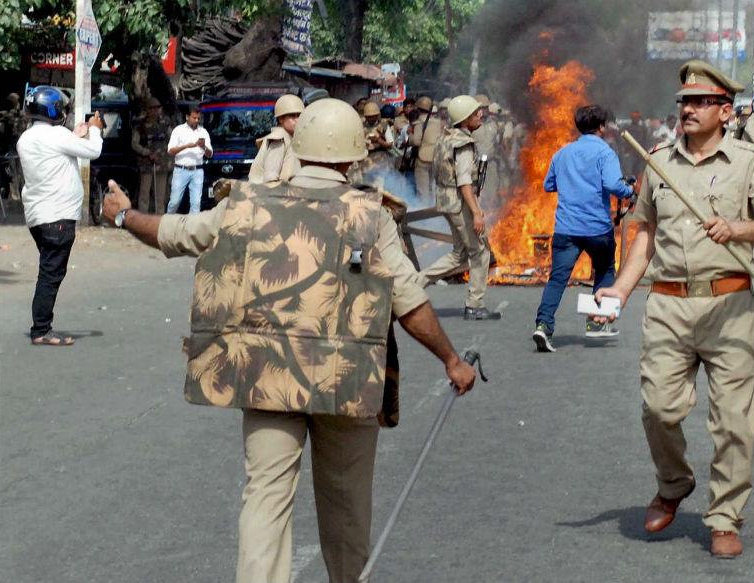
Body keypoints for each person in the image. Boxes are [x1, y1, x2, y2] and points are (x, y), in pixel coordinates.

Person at [99, 97, 476, 583]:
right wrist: (450, 359)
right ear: (353, 156)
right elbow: (408, 302)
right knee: (346, 505)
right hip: (347, 384)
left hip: (267, 378)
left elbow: (177, 234)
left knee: (266, 498)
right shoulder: (371, 215)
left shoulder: (247, 203)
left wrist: (122, 215)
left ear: (298, 146)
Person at [595, 60, 754, 559]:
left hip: (729, 303)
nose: (688, 109)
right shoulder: (657, 160)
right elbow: (644, 234)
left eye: (700, 102)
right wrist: (619, 289)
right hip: (667, 304)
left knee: (732, 421)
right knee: (658, 408)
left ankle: (725, 514)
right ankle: (674, 481)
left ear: (725, 111)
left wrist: (737, 229)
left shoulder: (748, 161)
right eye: (684, 101)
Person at [530, 104, 634, 352]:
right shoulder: (605, 153)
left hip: (566, 228)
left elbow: (548, 185)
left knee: (557, 278)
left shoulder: (562, 153)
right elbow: (613, 185)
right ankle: (597, 323)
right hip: (597, 228)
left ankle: (543, 326)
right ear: (602, 127)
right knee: (605, 270)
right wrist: (630, 189)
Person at [16, 85, 104, 346]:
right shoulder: (56, 136)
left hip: (38, 216)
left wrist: (76, 134)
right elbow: (93, 151)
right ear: (52, 110)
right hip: (58, 217)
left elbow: (59, 148)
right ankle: (41, 329)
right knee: (51, 273)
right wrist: (96, 128)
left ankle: (41, 326)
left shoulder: (26, 138)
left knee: (48, 270)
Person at [420, 95, 500, 321]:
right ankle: (475, 304)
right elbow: (464, 182)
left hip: (446, 201)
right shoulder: (463, 144)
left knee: (459, 254)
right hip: (459, 203)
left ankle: (412, 284)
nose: (480, 115)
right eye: (475, 114)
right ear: (465, 119)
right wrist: (476, 213)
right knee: (480, 251)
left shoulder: (446, 138)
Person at [166, 105, 212, 214]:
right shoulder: (178, 130)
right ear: (187, 117)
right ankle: (168, 223)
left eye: (198, 118)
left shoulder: (203, 132)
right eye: (194, 118)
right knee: (175, 201)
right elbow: (170, 151)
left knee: (196, 203)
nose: (196, 120)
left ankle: (191, 229)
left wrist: (203, 147)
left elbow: (210, 154)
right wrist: (186, 146)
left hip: (197, 170)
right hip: (181, 170)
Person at [248, 94, 303, 184]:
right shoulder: (279, 140)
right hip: (269, 194)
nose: (297, 119)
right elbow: (270, 179)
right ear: (281, 119)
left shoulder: (289, 137)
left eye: (299, 115)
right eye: (293, 116)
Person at [132, 98, 173, 213]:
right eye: (152, 108)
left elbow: (173, 139)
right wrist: (147, 153)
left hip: (162, 162)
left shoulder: (165, 123)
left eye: (158, 108)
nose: (156, 111)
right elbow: (134, 144)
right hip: (147, 163)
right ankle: (142, 218)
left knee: (160, 195)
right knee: (144, 193)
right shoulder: (141, 125)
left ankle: (159, 219)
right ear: (147, 110)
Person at [408, 95, 443, 203]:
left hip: (423, 158)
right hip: (437, 157)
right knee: (432, 188)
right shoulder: (438, 123)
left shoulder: (419, 123)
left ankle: (424, 213)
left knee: (422, 190)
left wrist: (410, 135)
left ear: (418, 109)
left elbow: (416, 141)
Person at [623, 111, 651, 177]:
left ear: (639, 118)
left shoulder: (643, 128)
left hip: (640, 153)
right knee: (629, 173)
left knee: (639, 173)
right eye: (634, 118)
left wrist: (646, 152)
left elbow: (646, 140)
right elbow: (623, 141)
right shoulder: (627, 128)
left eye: (637, 118)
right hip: (631, 153)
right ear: (631, 118)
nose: (636, 119)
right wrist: (625, 151)